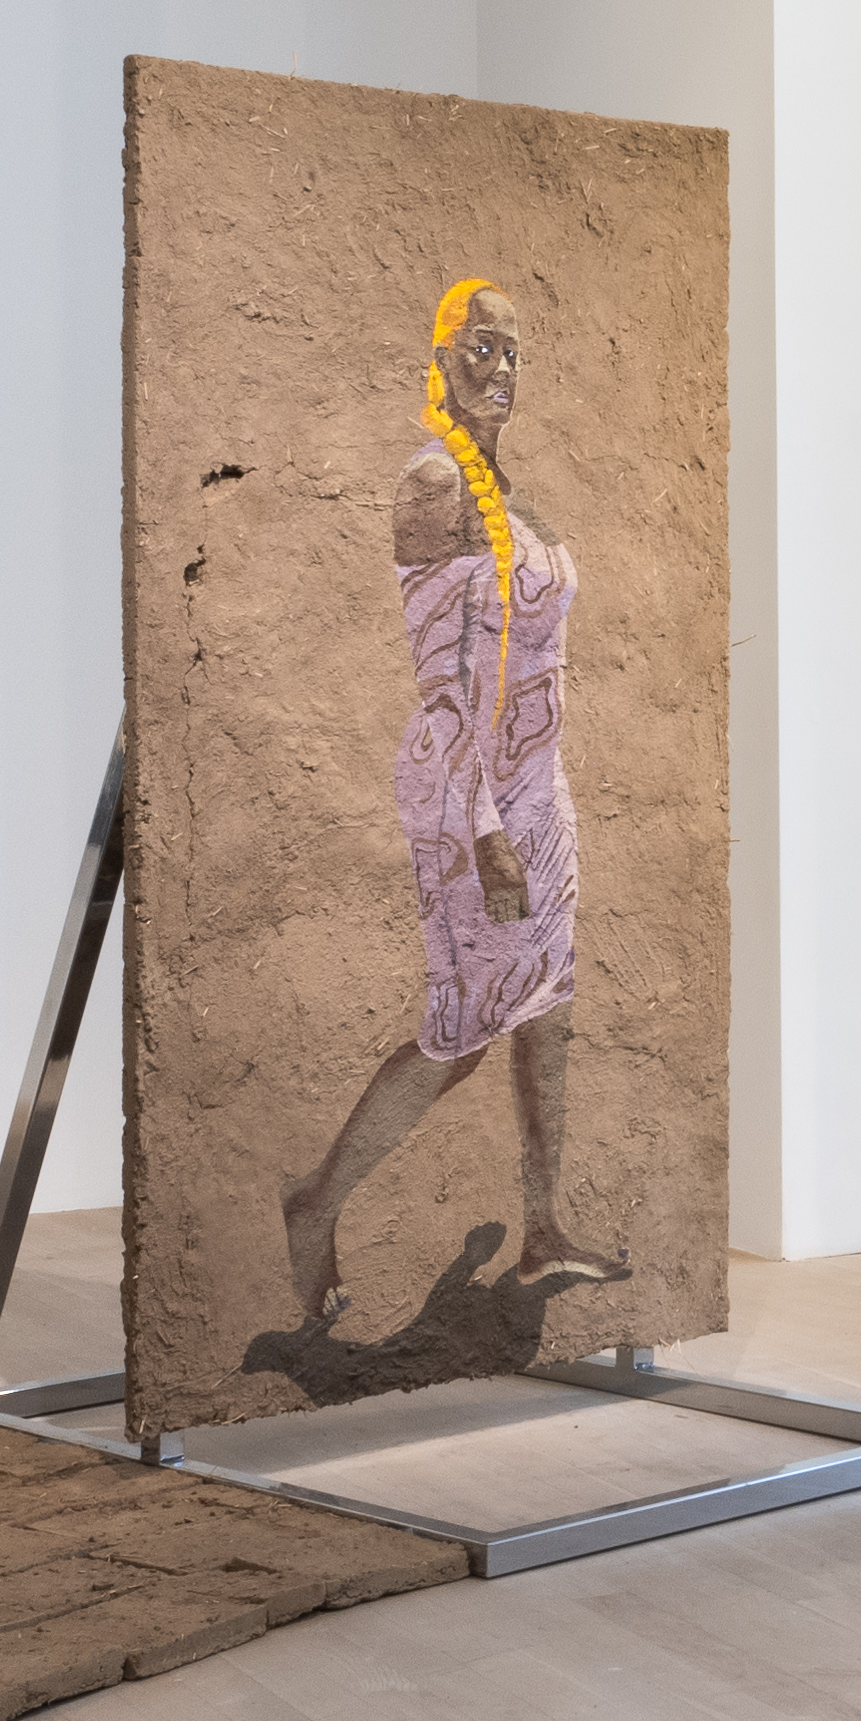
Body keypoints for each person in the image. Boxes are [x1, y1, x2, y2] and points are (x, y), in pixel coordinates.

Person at [281, 275, 600, 1343]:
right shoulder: (434, 485)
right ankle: (316, 1201)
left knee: (548, 1006)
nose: (499, 367)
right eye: (479, 348)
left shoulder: (517, 500)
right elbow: (448, 687)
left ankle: (547, 1222)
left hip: (536, 782)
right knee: (463, 1030)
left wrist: (536, 806)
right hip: (473, 794)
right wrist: (486, 832)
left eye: (512, 351)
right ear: (440, 359)